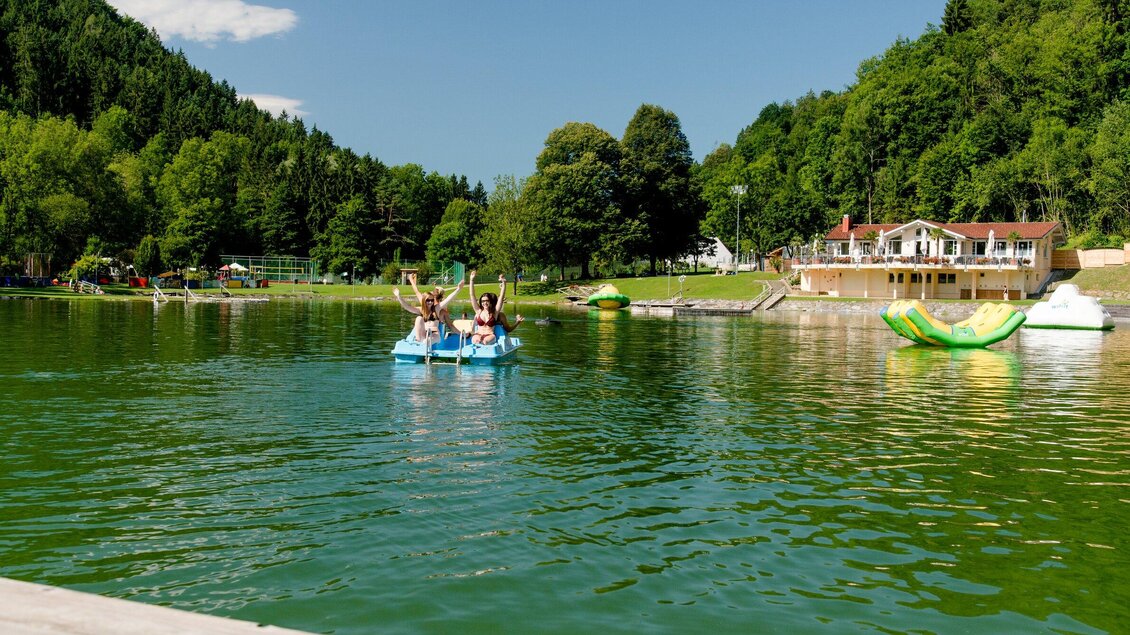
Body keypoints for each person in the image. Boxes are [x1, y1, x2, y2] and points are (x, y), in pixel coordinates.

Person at [393, 273, 464, 343]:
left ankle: (423, 343)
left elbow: (448, 299)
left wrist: (458, 289)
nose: (430, 302)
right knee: (418, 318)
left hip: (434, 335)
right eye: (428, 300)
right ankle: (418, 341)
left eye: (431, 300)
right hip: (424, 334)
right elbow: (407, 307)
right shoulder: (421, 309)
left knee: (426, 341)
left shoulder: (437, 309)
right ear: (425, 300)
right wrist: (398, 296)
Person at [467, 270, 523, 345]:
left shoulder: (495, 313)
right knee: (476, 340)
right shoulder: (478, 311)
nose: (484, 303)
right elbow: (472, 295)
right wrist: (471, 280)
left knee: (484, 341)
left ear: (490, 302)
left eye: (487, 301)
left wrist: (504, 283)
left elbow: (501, 298)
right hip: (478, 334)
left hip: (490, 335)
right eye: (483, 301)